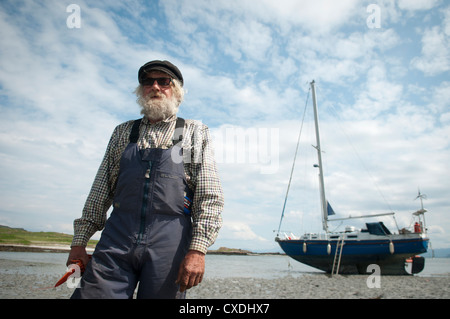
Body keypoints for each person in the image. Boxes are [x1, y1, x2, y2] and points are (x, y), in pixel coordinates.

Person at [68, 60, 224, 299]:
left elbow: (208, 195)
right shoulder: (123, 132)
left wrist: (198, 250)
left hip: (170, 243)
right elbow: (100, 190)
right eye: (148, 81)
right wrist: (79, 241)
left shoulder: (193, 132)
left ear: (177, 91)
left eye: (164, 81)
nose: (155, 86)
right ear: (141, 90)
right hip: (117, 239)